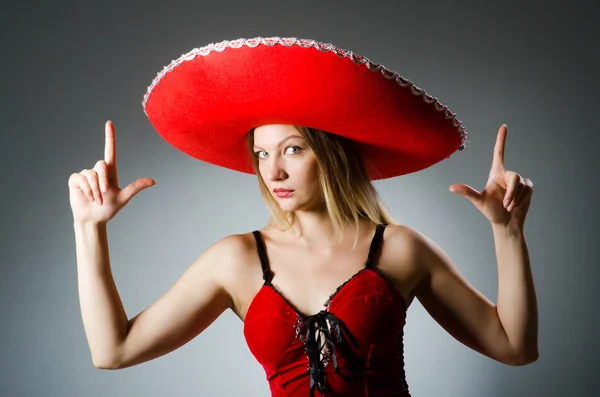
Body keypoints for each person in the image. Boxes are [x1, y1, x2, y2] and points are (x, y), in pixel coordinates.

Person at [69, 37, 538, 397]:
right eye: (262, 153)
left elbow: (514, 348)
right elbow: (114, 351)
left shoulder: (400, 248)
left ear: (330, 154)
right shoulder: (235, 259)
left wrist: (507, 231)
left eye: (293, 149)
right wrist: (89, 229)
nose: (273, 170)